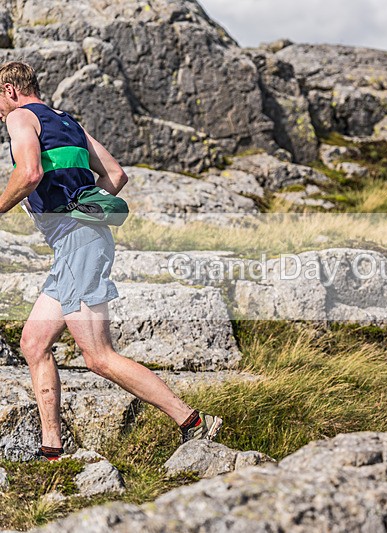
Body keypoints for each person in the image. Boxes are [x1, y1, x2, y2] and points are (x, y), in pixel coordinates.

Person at [0, 61, 221, 461]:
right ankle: (52, 450)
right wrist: (80, 205)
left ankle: (193, 421)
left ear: (11, 90)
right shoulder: (66, 121)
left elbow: (29, 173)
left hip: (78, 243)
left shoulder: (19, 116)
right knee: (33, 343)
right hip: (80, 242)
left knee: (98, 356)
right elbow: (116, 175)